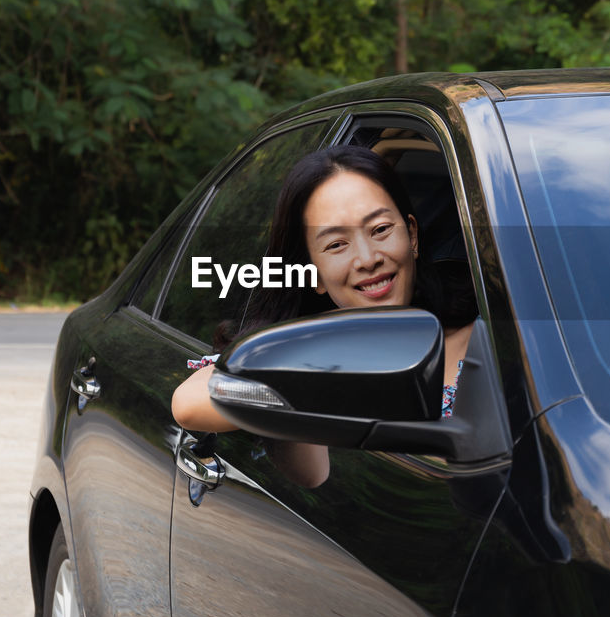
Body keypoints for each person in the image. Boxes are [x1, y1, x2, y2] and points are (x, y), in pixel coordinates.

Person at [171, 146, 477, 485]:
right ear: (313, 273)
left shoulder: (492, 332)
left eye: (380, 229)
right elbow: (189, 402)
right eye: (336, 245)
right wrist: (320, 373)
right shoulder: (307, 346)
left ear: (413, 236)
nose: (367, 258)